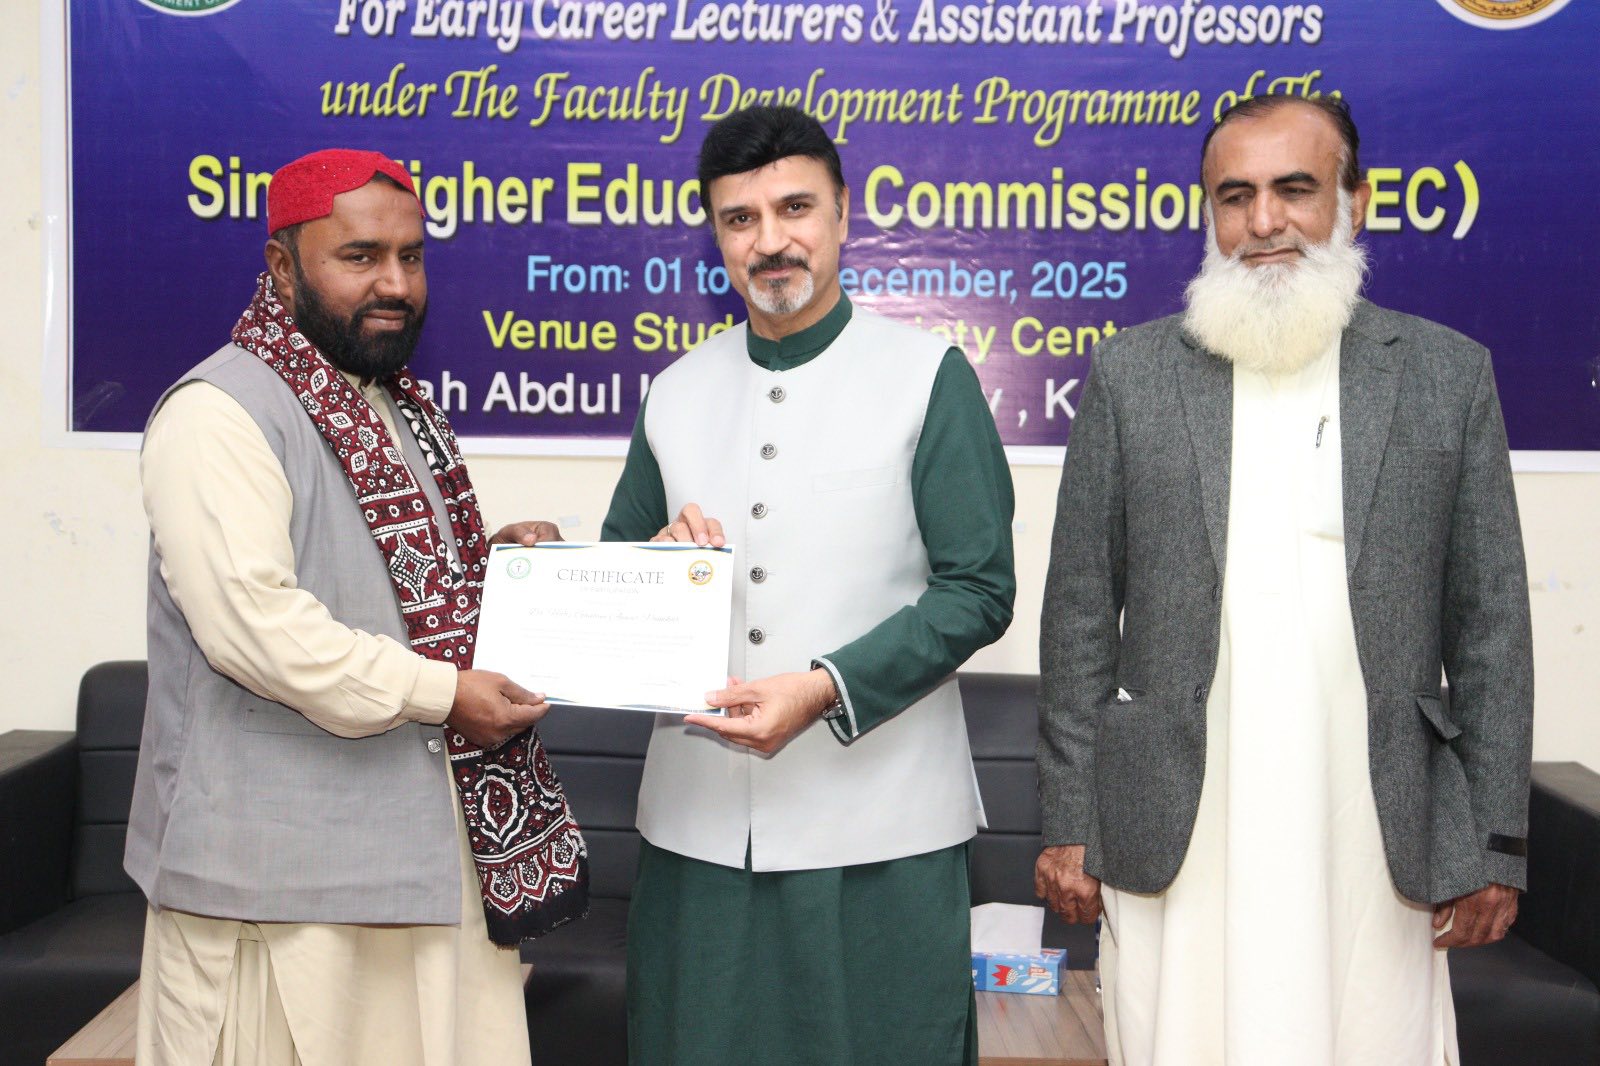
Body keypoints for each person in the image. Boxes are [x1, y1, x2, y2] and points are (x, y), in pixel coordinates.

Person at [1034, 94, 1534, 1065]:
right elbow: (1080, 614)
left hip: (1373, 831)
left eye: (1295, 189)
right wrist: (1067, 822)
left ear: (1355, 201)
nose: (1264, 222)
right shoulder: (1133, 376)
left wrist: (1493, 844)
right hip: (1178, 829)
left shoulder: (1445, 376)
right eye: (1235, 196)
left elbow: (1491, 631)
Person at [125, 148, 587, 1065]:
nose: (396, 284)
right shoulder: (220, 412)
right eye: (361, 256)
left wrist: (492, 571)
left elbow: (383, 588)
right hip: (277, 892)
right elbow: (256, 627)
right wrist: (444, 694)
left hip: (416, 870)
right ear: (281, 264)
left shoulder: (392, 405)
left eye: (411, 257)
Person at [602, 105, 1015, 1065]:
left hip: (882, 832)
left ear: (842, 214)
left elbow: (979, 589)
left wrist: (826, 686)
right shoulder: (675, 392)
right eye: (740, 218)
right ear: (716, 236)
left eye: (795, 208)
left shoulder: (928, 376)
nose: (770, 240)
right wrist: (658, 565)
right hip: (701, 832)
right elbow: (619, 579)